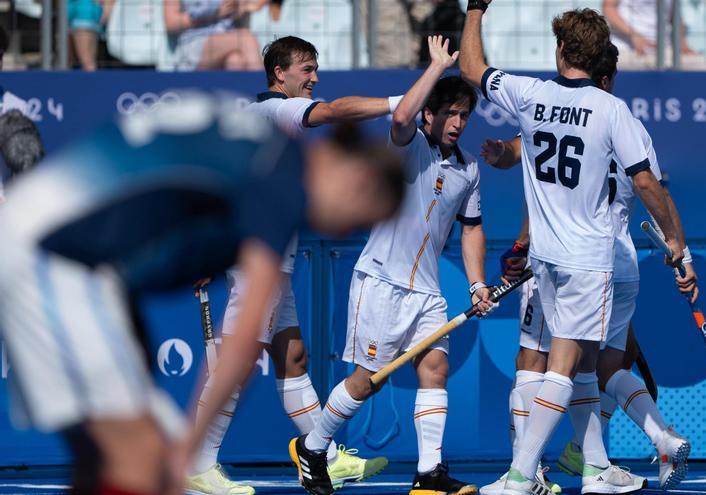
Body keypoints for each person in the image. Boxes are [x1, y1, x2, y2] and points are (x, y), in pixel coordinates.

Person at [0, 94, 404, 495]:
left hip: (65, 249)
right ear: (358, 181)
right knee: (143, 461)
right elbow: (244, 342)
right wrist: (188, 454)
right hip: (54, 253)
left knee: (110, 460)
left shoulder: (264, 146)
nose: (340, 234)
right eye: (356, 223)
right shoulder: (282, 182)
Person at [461, 4, 684, 494]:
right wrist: (676, 242)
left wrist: (475, 8)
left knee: (572, 367)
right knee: (571, 367)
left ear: (560, 49)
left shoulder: (530, 93)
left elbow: (471, 67)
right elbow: (647, 182)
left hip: (546, 261)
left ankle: (555, 473)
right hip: (588, 260)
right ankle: (542, 475)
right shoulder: (612, 110)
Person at [187, 35, 402, 495]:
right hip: (257, 258)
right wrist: (399, 102)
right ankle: (197, 464)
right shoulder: (273, 109)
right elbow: (332, 112)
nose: (315, 77)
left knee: (293, 357)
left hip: (270, 256)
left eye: (316, 67)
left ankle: (321, 453)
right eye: (306, 69)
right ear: (279, 74)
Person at [290, 36, 491, 495]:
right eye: (449, 113)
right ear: (429, 115)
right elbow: (400, 115)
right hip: (380, 281)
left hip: (428, 292)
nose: (458, 123)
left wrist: (477, 284)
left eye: (464, 115)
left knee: (435, 370)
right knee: (364, 383)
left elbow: (472, 228)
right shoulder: (409, 144)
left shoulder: (470, 169)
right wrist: (438, 67)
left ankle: (429, 473)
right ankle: (314, 447)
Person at [602, 0, 706, 70]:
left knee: (705, 66)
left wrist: (683, 45)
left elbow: (675, 16)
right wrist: (634, 36)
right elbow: (608, 8)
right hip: (627, 48)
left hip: (664, 50)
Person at [163, 0, 264, 70]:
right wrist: (214, 13)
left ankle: (236, 99)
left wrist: (237, 7)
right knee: (245, 38)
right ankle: (267, 96)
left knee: (235, 60)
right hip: (193, 44)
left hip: (228, 38)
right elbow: (171, 23)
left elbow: (250, 7)